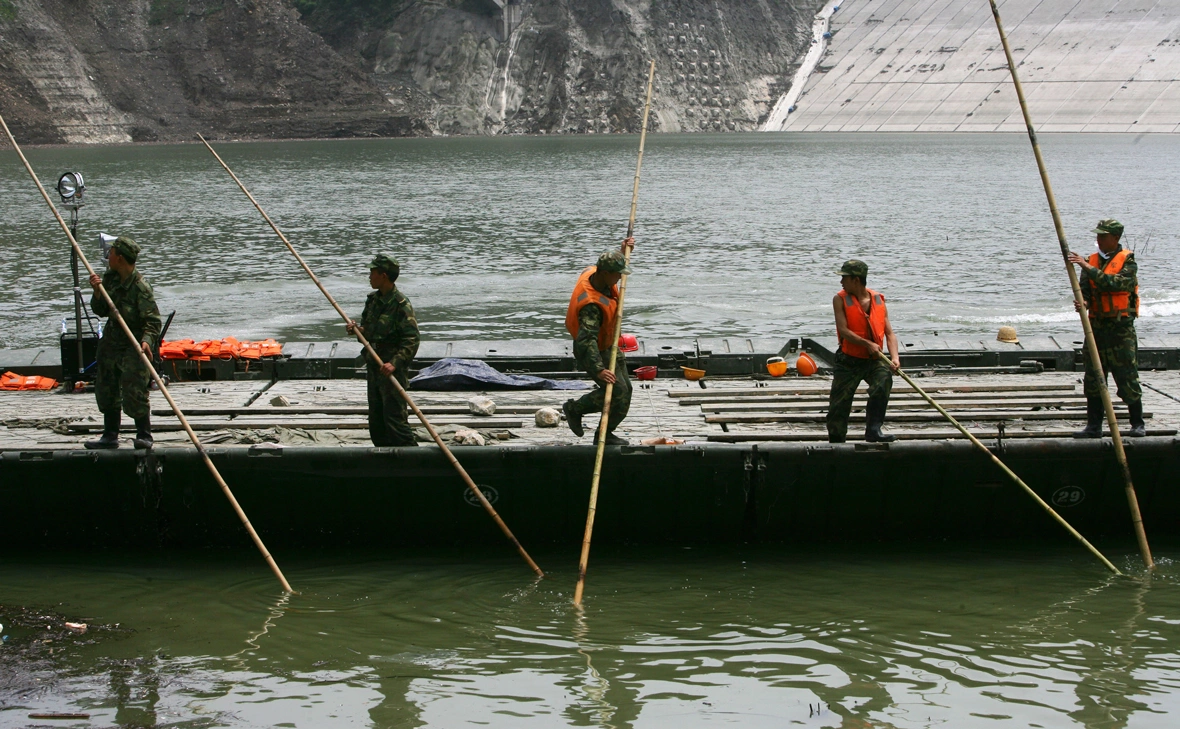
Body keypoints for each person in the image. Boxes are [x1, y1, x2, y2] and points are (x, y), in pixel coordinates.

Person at [1067, 219, 1146, 438]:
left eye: (1104, 236)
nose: (1099, 240)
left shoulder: (1127, 261)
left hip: (1121, 329)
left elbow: (1114, 284)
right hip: (1097, 329)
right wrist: (1083, 302)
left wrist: (1086, 266)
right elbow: (1085, 290)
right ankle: (1094, 426)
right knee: (1093, 377)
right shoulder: (1091, 261)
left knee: (1127, 375)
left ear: (1115, 238)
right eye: (1098, 236)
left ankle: (1137, 423)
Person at [85, 237, 162, 450]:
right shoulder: (109, 279)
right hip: (112, 340)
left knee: (134, 387)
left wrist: (146, 342)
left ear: (119, 258)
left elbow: (153, 322)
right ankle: (110, 435)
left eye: (110, 253)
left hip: (134, 343)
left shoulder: (140, 287)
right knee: (106, 386)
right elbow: (101, 311)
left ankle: (144, 434)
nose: (107, 256)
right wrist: (98, 292)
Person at [562, 241, 635, 446]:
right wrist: (599, 369)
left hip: (609, 344)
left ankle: (606, 433)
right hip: (593, 351)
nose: (620, 277)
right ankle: (575, 409)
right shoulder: (591, 306)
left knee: (626, 389)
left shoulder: (592, 271)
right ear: (604, 273)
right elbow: (587, 341)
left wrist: (623, 252)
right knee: (617, 392)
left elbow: (609, 265)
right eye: (617, 273)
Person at [346, 254, 420, 447]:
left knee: (395, 418)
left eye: (372, 273)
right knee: (376, 418)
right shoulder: (372, 301)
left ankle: (410, 458)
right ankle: (383, 459)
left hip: (391, 368)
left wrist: (394, 364)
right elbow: (369, 332)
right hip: (374, 366)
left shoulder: (401, 304)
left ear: (384, 276)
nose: (369, 277)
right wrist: (357, 330)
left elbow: (412, 340)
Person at [826, 259, 900, 443]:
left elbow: (890, 333)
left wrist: (895, 358)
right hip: (848, 361)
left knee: (883, 382)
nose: (841, 282)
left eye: (845, 278)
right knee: (839, 404)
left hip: (873, 360)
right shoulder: (839, 299)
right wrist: (867, 343)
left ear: (856, 280)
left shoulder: (878, 300)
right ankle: (837, 439)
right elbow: (843, 330)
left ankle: (874, 430)